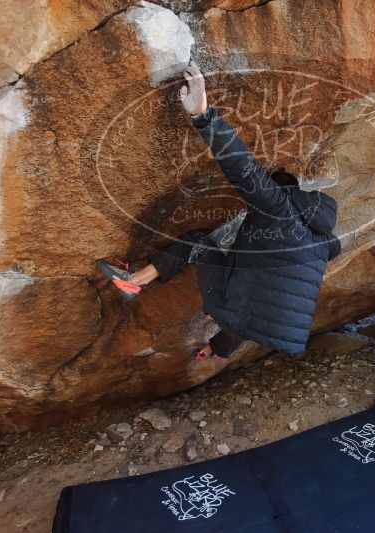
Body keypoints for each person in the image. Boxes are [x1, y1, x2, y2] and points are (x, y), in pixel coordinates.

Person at [97, 60, 341, 360]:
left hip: (244, 315)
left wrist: (203, 115)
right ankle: (216, 346)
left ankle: (134, 281)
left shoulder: (279, 208)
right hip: (276, 332)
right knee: (248, 297)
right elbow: (257, 298)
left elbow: (245, 170)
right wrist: (217, 347)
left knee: (199, 243)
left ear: (282, 192)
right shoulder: (318, 246)